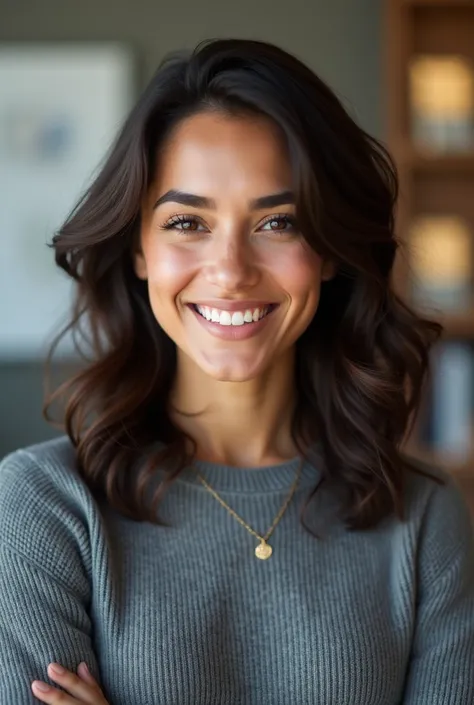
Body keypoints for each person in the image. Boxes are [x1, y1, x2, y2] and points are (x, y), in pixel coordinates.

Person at [0, 37, 473, 705]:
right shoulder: (47, 505)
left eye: (278, 221)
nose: (229, 271)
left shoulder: (422, 518)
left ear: (331, 250)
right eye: (188, 221)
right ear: (138, 249)